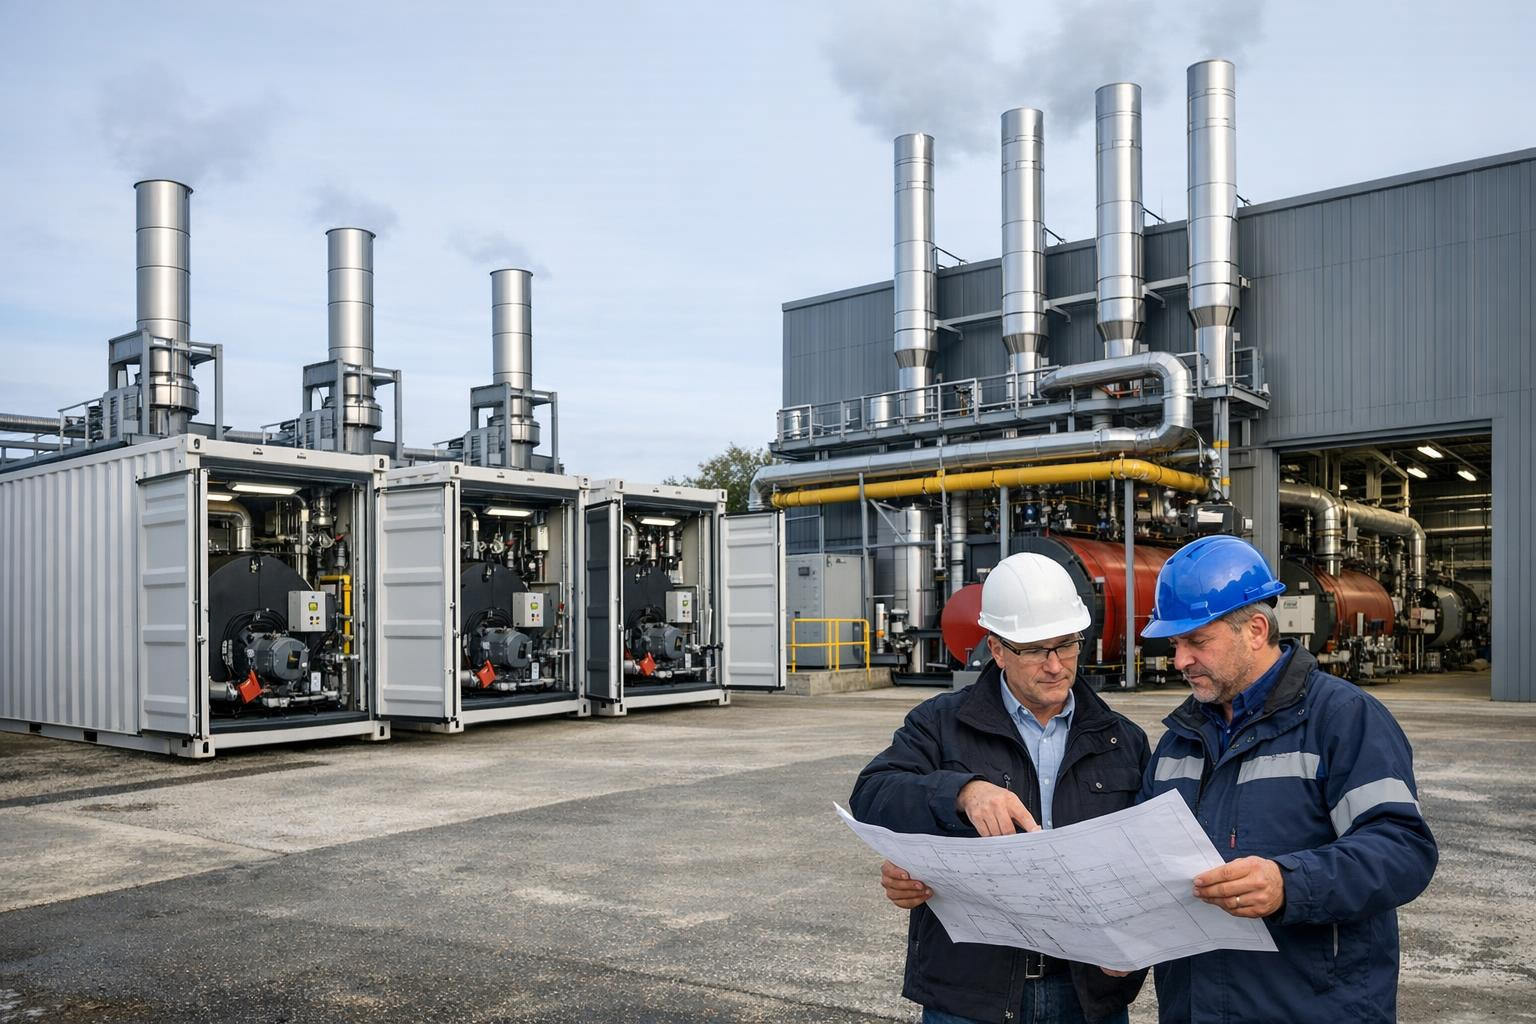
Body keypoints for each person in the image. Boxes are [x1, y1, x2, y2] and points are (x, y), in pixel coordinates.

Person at [1137, 534, 1438, 1023]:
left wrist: (1289, 884)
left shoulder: (1342, 719)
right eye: (1175, 644)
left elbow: (1402, 848)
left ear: (1256, 629)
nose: (1180, 661)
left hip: (1311, 1007)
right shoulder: (1180, 739)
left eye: (1196, 641)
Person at [851, 553, 1150, 1024]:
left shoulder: (1122, 739)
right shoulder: (941, 723)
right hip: (973, 996)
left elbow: (1148, 859)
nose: (1055, 666)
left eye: (1067, 645)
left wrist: (1138, 939)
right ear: (997, 649)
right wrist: (962, 792)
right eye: (1035, 650)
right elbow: (873, 794)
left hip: (1089, 994)